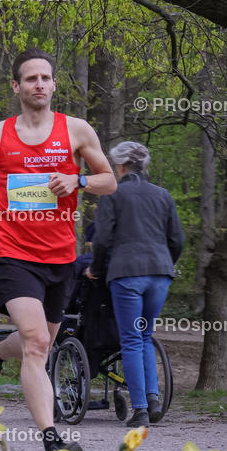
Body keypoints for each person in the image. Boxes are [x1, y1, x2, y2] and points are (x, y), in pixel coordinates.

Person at [0, 48, 116, 451]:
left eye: (45, 77)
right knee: (38, 342)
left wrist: (76, 178)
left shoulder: (76, 130)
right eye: (30, 79)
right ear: (16, 87)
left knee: (36, 343)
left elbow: (109, 181)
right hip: (13, 252)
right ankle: (52, 441)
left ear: (54, 84)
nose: (38, 84)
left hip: (60, 256)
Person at [87, 141, 184, 427]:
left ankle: (140, 408)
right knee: (144, 336)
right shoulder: (163, 195)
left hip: (127, 274)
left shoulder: (113, 194)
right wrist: (166, 264)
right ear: (144, 164)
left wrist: (95, 268)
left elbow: (102, 240)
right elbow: (177, 239)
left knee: (130, 339)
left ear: (120, 166)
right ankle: (153, 399)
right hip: (160, 274)